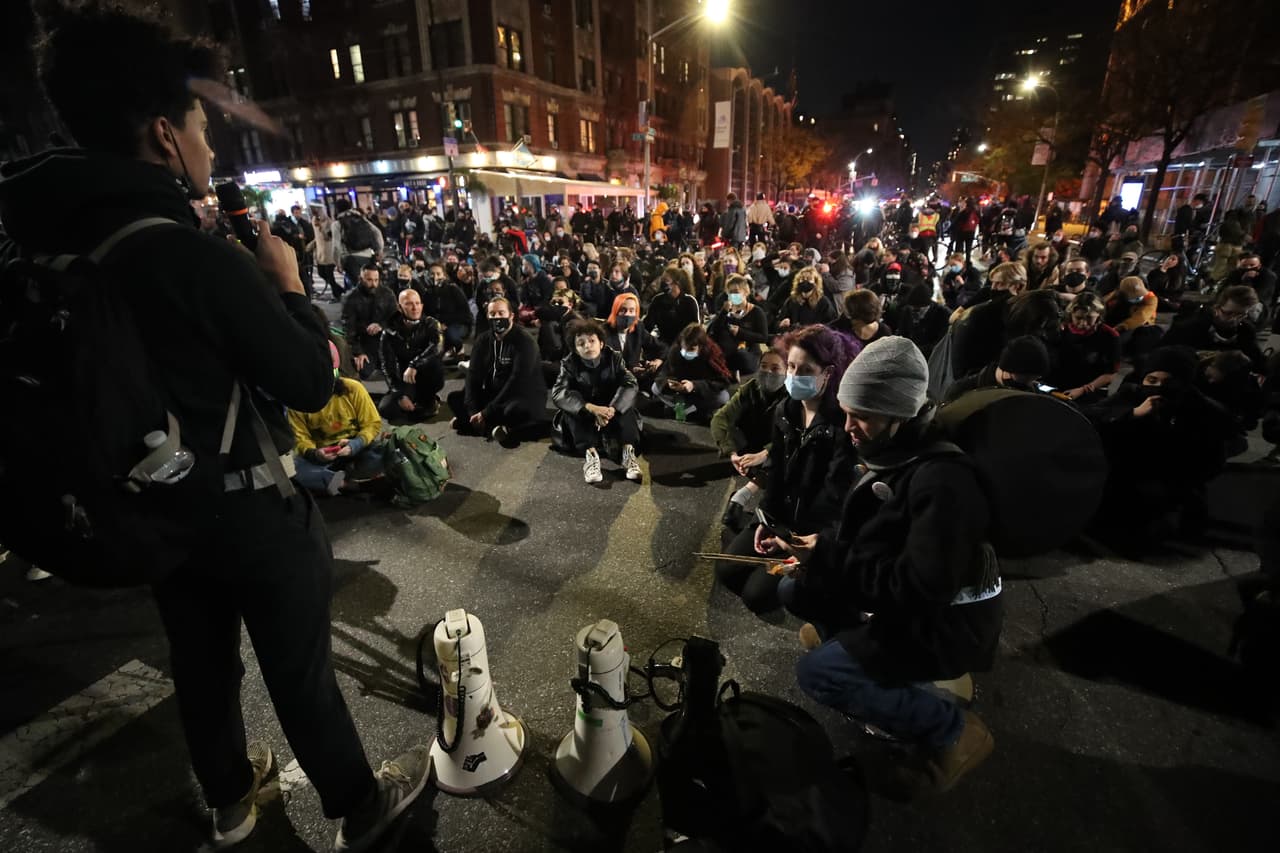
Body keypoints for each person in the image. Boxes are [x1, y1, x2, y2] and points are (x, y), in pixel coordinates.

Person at [3, 4, 428, 848]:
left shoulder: (63, 243)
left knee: (200, 661)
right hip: (246, 504)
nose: (210, 147)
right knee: (297, 666)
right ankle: (360, 806)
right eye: (201, 127)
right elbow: (311, 379)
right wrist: (290, 284)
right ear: (164, 134)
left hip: (152, 502)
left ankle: (232, 800)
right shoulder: (188, 255)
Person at [770, 337, 999, 797]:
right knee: (796, 591)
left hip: (944, 624)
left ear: (900, 413)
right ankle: (852, 647)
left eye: (862, 415)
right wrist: (817, 548)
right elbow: (875, 536)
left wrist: (830, 560)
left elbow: (919, 587)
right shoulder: (897, 451)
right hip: (901, 601)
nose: (849, 426)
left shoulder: (943, 481)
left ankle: (951, 729)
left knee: (817, 674)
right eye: (847, 410)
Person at [716, 326, 858, 613]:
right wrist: (766, 521)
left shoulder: (841, 423)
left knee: (756, 596)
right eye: (791, 366)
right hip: (782, 516)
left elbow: (833, 496)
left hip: (812, 532)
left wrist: (789, 541)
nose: (793, 376)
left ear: (828, 373)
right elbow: (778, 472)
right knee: (727, 571)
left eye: (805, 370)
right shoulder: (786, 410)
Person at [1084, 346, 1240, 553]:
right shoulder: (1132, 394)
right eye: (1152, 380)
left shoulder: (1204, 411)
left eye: (1170, 382)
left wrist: (1173, 485)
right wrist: (1132, 415)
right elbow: (1091, 418)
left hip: (1169, 484)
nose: (1159, 388)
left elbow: (1212, 461)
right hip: (1124, 477)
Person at [550, 319, 643, 484]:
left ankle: (628, 453)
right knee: (571, 409)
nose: (587, 346)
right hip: (586, 412)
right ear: (576, 349)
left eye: (592, 341)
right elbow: (559, 393)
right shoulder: (569, 363)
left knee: (626, 406)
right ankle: (591, 456)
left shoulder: (614, 358)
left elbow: (630, 383)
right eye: (581, 343)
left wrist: (612, 409)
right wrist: (590, 408)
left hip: (610, 409)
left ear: (601, 343)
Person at [447, 297, 548, 443]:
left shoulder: (524, 341)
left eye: (501, 313)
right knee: (454, 398)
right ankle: (491, 426)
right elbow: (473, 377)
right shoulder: (483, 340)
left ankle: (482, 425)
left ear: (511, 315)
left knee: (513, 410)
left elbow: (517, 382)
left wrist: (487, 412)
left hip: (521, 395)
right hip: (494, 394)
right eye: (492, 314)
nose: (497, 318)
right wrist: (474, 410)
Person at [290, 349, 387, 494]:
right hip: (323, 456)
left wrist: (356, 444)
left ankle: (336, 482)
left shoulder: (353, 388)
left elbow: (372, 424)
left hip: (358, 447)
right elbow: (300, 438)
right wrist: (316, 454)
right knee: (293, 470)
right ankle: (347, 484)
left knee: (388, 453)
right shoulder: (297, 402)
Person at [710, 350, 788, 530]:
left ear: (787, 371)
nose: (768, 372)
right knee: (728, 426)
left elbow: (789, 432)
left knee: (787, 456)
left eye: (776, 368)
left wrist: (765, 453)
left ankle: (742, 495)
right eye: (764, 366)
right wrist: (732, 453)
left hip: (776, 446)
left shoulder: (792, 396)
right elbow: (720, 418)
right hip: (751, 443)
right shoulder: (750, 388)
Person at [1160, 285, 1265, 370]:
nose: (1234, 319)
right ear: (1216, 308)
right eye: (1228, 313)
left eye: (1241, 315)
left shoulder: (1246, 331)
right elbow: (1164, 352)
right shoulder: (1192, 323)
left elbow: (1257, 361)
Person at [378, 289, 444, 421]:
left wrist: (414, 365)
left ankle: (429, 398)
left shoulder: (431, 323)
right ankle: (416, 400)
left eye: (418, 303)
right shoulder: (389, 332)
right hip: (405, 378)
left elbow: (438, 347)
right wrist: (399, 394)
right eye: (409, 304)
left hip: (426, 373)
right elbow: (387, 367)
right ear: (399, 307)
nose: (415, 308)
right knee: (387, 409)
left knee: (435, 364)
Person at [1045, 293, 1120, 404]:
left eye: (1089, 318)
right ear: (1071, 314)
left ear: (1099, 315)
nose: (1083, 323)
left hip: (1089, 389)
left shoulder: (1109, 336)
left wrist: (1083, 390)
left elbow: (1110, 374)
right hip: (1057, 386)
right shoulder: (1060, 330)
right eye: (1078, 318)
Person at [652, 323, 733, 420]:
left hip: (700, 393)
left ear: (701, 346)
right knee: (655, 388)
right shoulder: (675, 351)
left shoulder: (712, 355)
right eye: (684, 348)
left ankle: (684, 409)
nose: (686, 352)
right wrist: (669, 383)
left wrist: (694, 385)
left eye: (691, 349)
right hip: (680, 390)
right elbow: (664, 372)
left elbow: (722, 381)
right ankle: (688, 410)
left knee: (723, 397)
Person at [944, 335, 1051, 401]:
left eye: (1034, 378)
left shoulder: (1032, 391)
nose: (1030, 383)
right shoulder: (963, 391)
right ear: (1008, 369)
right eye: (1026, 378)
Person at [341, 262, 398, 379]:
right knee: (363, 369)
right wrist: (358, 352)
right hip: (364, 341)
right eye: (369, 280)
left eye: (376, 280)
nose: (374, 284)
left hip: (386, 339)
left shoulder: (387, 294)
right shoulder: (350, 299)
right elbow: (349, 330)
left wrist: (381, 325)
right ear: (360, 279)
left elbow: (395, 319)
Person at [707, 275, 772, 376]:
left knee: (741, 356)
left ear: (746, 292)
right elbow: (713, 331)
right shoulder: (726, 311)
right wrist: (723, 312)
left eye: (736, 292)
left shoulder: (756, 312)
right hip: (727, 351)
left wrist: (740, 333)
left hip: (748, 351)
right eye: (730, 292)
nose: (733, 295)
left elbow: (763, 337)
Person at [604, 292, 665, 384]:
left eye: (631, 311)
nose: (627, 314)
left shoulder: (638, 328)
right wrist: (631, 370)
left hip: (635, 380)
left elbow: (662, 348)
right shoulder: (603, 332)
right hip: (612, 382)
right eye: (623, 310)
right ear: (615, 311)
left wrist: (657, 361)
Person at [415, 262, 472, 358]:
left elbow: (465, 314)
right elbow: (425, 312)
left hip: (458, 323)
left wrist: (446, 323)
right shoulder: (427, 292)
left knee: (451, 335)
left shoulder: (453, 289)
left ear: (444, 275)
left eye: (438, 274)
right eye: (432, 274)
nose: (435, 277)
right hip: (437, 324)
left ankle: (459, 349)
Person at [335, 196, 384, 294]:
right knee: (371, 284)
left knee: (358, 287)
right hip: (368, 256)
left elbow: (336, 246)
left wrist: (338, 263)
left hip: (351, 258)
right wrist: (379, 251)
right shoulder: (361, 219)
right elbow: (377, 232)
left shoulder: (337, 223)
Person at [1103, 275, 1161, 358]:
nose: (1138, 297)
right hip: (1120, 319)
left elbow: (1140, 317)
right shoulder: (1116, 295)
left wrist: (1122, 326)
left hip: (1138, 325)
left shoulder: (1151, 298)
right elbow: (1104, 304)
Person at [888, 284, 949, 359]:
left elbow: (940, 345)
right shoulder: (907, 311)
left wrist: (914, 349)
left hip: (932, 358)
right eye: (912, 308)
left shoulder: (943, 314)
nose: (914, 314)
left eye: (917, 310)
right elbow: (901, 333)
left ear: (927, 306)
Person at [644, 267, 701, 344]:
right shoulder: (658, 300)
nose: (663, 284)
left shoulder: (689, 301)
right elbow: (648, 324)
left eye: (666, 281)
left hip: (684, 344)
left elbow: (695, 328)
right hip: (663, 344)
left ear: (677, 283)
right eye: (662, 280)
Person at [776, 267, 837, 331]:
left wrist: (823, 327)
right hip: (794, 336)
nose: (805, 281)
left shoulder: (823, 301)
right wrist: (781, 324)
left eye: (809, 279)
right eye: (802, 279)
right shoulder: (792, 300)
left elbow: (833, 323)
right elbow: (778, 321)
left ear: (815, 283)